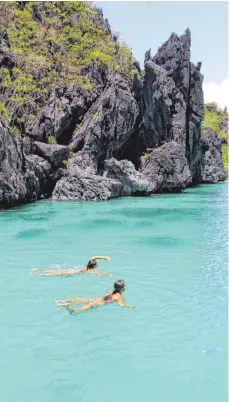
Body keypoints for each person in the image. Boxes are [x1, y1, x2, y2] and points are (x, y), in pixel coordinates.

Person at [55, 280, 135, 314]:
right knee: (75, 311)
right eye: (125, 286)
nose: (125, 287)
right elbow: (121, 305)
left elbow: (107, 297)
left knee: (75, 299)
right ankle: (67, 306)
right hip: (95, 304)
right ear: (122, 289)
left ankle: (62, 300)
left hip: (94, 299)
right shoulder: (119, 297)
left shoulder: (111, 291)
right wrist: (130, 307)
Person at [30, 256, 112, 277]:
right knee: (55, 274)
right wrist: (108, 275)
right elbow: (100, 275)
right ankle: (38, 274)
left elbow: (93, 257)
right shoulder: (92, 271)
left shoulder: (86, 266)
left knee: (54, 271)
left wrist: (104, 257)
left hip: (71, 270)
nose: (98, 264)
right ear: (94, 266)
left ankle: (38, 269)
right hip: (73, 273)